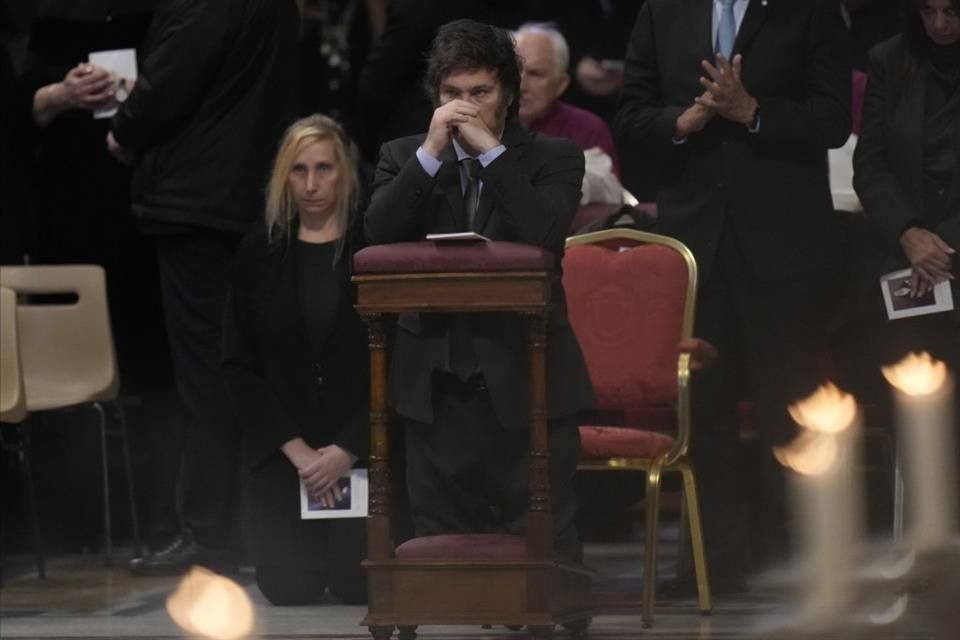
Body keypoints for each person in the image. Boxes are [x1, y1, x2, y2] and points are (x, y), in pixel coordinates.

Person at [615, 0, 852, 587]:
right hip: (697, 246)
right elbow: (630, 117)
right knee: (704, 409)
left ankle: (799, 560)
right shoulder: (661, 12)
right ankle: (707, 562)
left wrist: (752, 112)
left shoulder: (810, 11)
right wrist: (682, 122)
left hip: (784, 243)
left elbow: (832, 120)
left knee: (789, 403)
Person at [364, 19, 593, 562]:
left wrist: (492, 151)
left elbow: (542, 231)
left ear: (508, 95)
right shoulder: (404, 159)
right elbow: (375, 235)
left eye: (479, 93)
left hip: (528, 379)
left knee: (543, 551)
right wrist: (430, 153)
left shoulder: (554, 158)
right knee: (447, 551)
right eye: (451, 94)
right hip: (434, 383)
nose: (462, 108)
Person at [108, 0, 300, 575]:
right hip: (249, 197)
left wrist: (124, 127)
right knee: (240, 366)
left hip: (199, 201)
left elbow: (171, 80)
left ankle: (216, 535)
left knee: (208, 374)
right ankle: (253, 527)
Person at [222, 115, 369, 606]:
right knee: (289, 588)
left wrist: (344, 450)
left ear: (345, 172)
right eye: (298, 170)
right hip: (286, 456)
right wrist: (303, 455)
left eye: (324, 168)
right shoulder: (258, 252)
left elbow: (398, 362)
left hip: (360, 454)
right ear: (283, 176)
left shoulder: (371, 250)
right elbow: (239, 367)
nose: (311, 185)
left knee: (358, 584)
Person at [853, 1, 959, 398]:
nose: (939, 25)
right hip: (902, 256)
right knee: (911, 403)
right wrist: (909, 233)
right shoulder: (890, 59)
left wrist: (940, 246)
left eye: (952, 12)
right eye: (928, 11)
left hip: (946, 247)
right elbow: (869, 164)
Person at [514, 23, 620, 174]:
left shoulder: (589, 129)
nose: (521, 86)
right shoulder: (482, 122)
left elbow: (608, 192)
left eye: (535, 74)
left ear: (561, 84)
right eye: (514, 70)